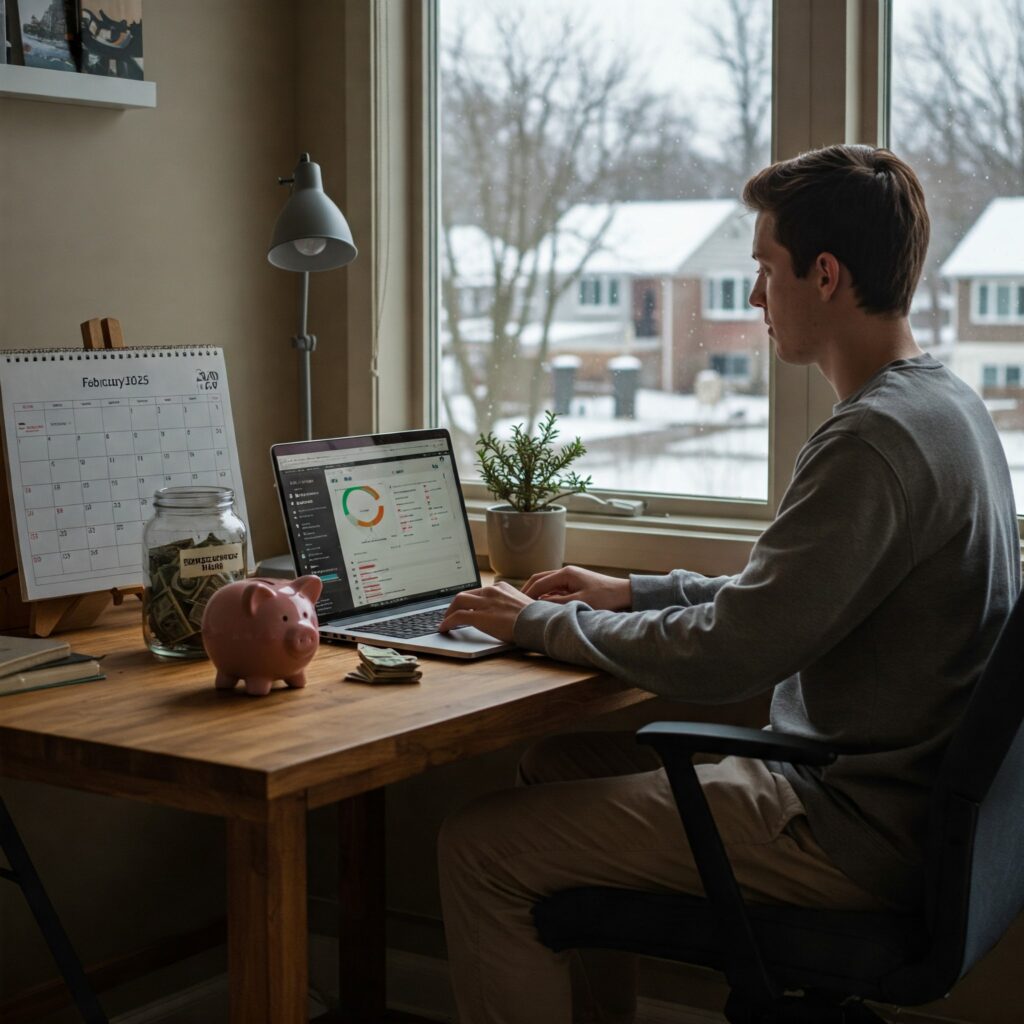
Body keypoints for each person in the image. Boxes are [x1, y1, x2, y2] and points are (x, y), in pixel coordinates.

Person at [435, 144, 1020, 1024]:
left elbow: (733, 653)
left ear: (824, 275)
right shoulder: (945, 406)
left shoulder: (872, 441)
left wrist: (531, 626)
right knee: (553, 764)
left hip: (845, 825)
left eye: (763, 268)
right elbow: (783, 592)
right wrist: (633, 595)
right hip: (897, 803)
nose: (752, 296)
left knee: (478, 849)